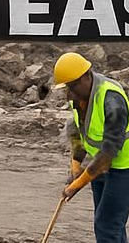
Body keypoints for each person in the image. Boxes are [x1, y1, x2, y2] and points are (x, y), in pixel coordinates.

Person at [55, 52, 129, 243]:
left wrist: (77, 185)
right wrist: (75, 166)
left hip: (123, 168)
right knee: (109, 224)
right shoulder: (79, 98)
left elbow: (108, 153)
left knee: (107, 225)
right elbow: (79, 132)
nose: (68, 94)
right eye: (66, 88)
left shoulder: (112, 100)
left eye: (72, 87)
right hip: (99, 168)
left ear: (86, 77)